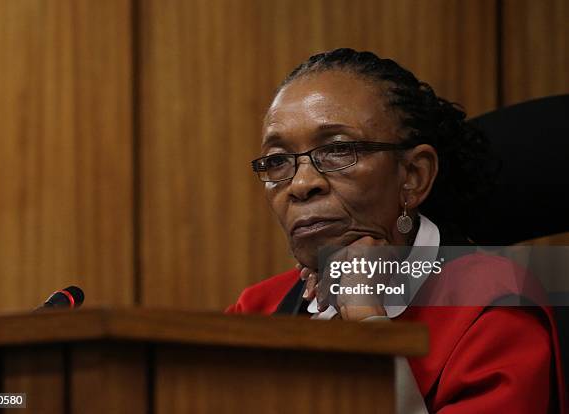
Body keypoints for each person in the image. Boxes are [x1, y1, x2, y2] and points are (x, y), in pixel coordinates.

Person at [226, 48, 566, 413]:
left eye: (338, 151)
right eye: (277, 161)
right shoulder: (257, 310)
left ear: (414, 176)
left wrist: (366, 318)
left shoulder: (494, 312)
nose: (301, 183)